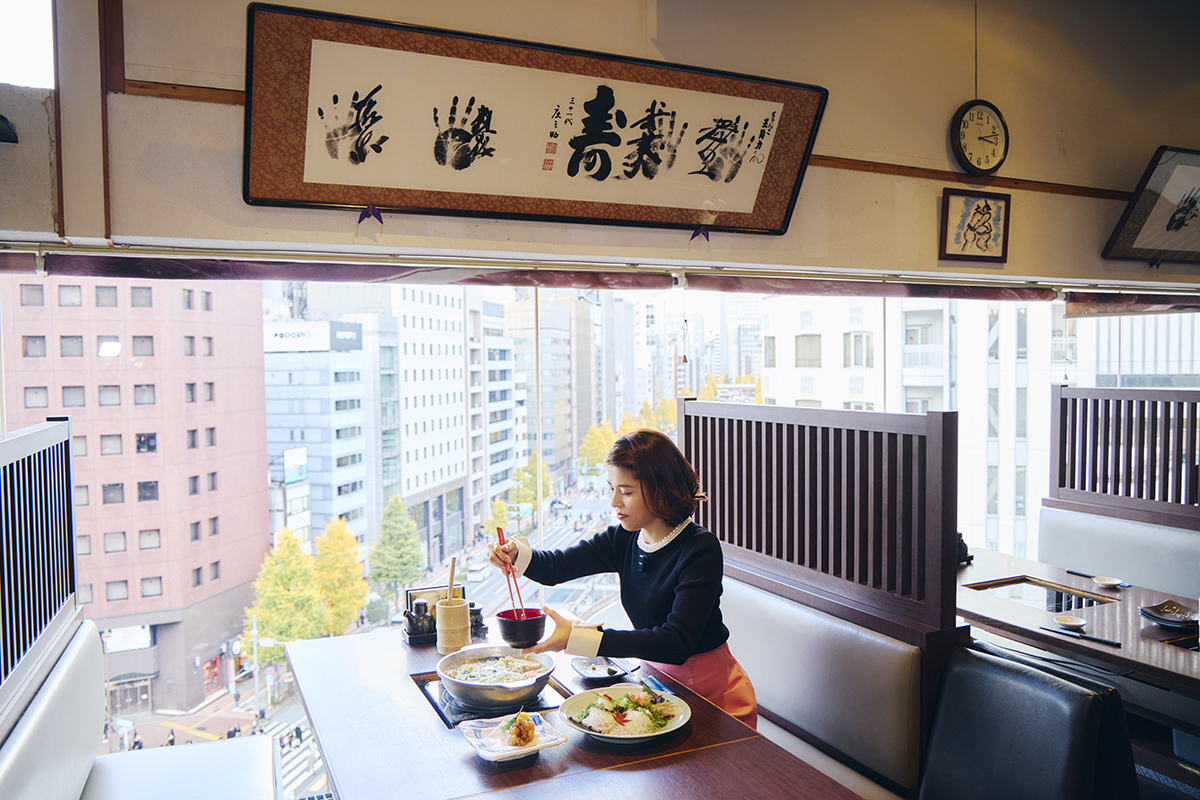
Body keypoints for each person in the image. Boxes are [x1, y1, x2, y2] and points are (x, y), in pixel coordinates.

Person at [490, 429, 757, 728]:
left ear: (661, 490)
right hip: (658, 687)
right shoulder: (624, 538)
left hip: (714, 699)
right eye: (611, 488)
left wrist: (581, 639)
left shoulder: (699, 548)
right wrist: (517, 556)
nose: (614, 502)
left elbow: (676, 643)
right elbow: (557, 567)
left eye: (626, 492)